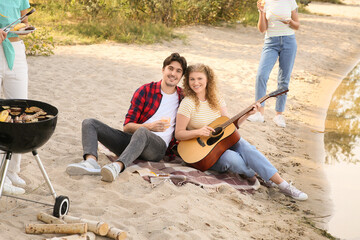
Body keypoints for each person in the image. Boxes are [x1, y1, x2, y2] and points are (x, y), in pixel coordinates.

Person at [175, 64, 307, 201]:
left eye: (199, 78)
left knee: (246, 148)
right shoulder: (188, 103)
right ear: (187, 81)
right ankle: (262, 174)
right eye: (192, 79)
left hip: (220, 143)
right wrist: (198, 132)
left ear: (208, 79)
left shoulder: (216, 98)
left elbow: (229, 127)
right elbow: (178, 134)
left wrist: (247, 115)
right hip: (201, 154)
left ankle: (283, 185)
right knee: (233, 159)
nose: (196, 83)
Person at [66, 53, 187, 182]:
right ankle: (91, 163)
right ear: (163, 69)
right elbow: (127, 127)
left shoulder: (183, 98)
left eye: (178, 71)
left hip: (157, 149)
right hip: (134, 140)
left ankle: (117, 166)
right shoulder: (145, 90)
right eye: (170, 68)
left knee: (143, 132)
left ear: (181, 76)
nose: (173, 73)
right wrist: (149, 126)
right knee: (89, 123)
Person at [247, 0, 300, 128]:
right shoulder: (265, 2)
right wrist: (261, 11)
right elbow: (262, 29)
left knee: (284, 79)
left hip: (289, 42)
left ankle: (279, 115)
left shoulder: (290, 1)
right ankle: (259, 113)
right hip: (271, 42)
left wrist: (290, 22)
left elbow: (297, 25)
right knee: (261, 75)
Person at [0, 1, 32, 195]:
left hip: (16, 49)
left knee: (19, 112)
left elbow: (24, 19)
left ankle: (11, 171)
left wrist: (26, 27)